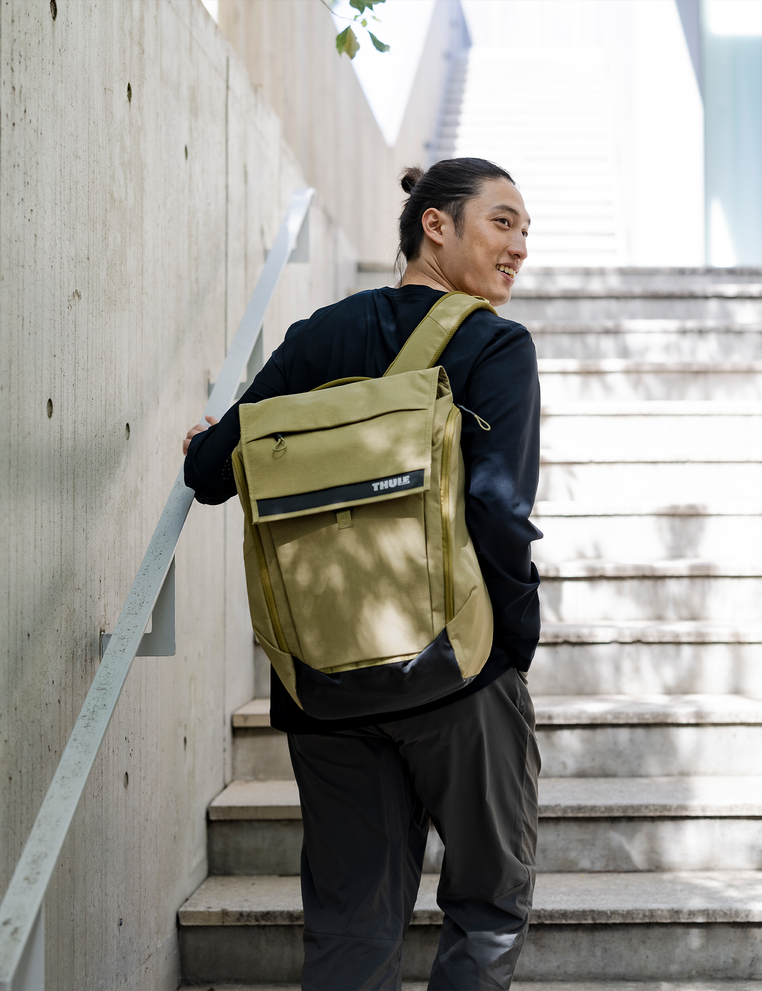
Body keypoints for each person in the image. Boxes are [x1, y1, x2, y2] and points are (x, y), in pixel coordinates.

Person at [182, 157, 541, 990]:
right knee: (486, 908)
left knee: (350, 925)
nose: (519, 246)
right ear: (435, 224)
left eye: (525, 231)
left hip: (325, 684)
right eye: (503, 221)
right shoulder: (494, 346)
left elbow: (209, 472)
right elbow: (497, 511)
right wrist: (511, 647)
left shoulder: (319, 335)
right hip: (456, 677)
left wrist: (206, 440)